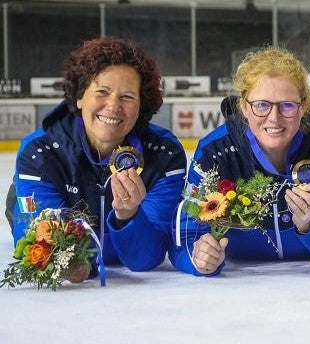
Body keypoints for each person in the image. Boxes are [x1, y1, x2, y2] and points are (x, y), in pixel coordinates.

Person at [169, 46, 310, 276]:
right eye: (261, 105)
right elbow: (185, 240)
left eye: (287, 106)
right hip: (243, 288)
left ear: (304, 107)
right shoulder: (215, 151)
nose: (274, 118)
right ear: (243, 106)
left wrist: (309, 225)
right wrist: (200, 258)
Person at [9, 37, 186, 272]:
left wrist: (127, 215)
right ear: (80, 97)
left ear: (142, 105)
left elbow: (145, 259)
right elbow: (42, 248)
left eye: (127, 96)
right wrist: (78, 261)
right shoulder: (38, 153)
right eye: (102, 91)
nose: (113, 106)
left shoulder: (165, 155)